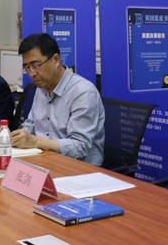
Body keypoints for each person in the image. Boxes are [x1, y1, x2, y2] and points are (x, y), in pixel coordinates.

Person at [11, 33, 105, 166]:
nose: (32, 74)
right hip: (44, 160)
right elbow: (30, 125)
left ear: (56, 60)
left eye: (36, 66)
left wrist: (35, 141)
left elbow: (80, 147)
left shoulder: (83, 92)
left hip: (78, 168)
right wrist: (14, 138)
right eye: (27, 68)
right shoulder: (41, 88)